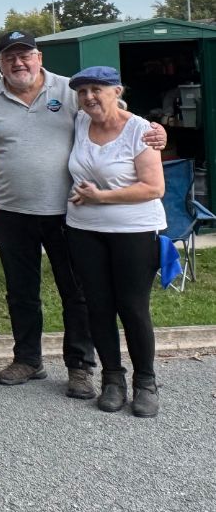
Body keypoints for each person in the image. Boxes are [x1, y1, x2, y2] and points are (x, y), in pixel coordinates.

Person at [0, 31, 164, 398]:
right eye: (10, 58)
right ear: (0, 63)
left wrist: (153, 131)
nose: (18, 63)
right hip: (9, 210)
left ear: (39, 57)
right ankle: (28, 359)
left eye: (25, 55)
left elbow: (114, 113)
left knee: (79, 293)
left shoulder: (72, 89)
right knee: (21, 292)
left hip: (70, 213)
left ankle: (80, 367)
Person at [63, 66, 166, 417]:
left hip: (133, 231)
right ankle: (112, 379)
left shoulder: (141, 131)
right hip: (83, 229)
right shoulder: (79, 122)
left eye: (97, 89)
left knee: (132, 307)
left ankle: (146, 383)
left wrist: (101, 198)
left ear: (117, 90)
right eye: (82, 91)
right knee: (98, 305)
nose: (89, 97)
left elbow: (154, 188)